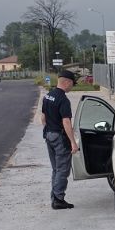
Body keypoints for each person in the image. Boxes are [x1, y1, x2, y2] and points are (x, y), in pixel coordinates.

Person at [40, 70, 78, 209]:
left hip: (49, 135)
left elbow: (43, 117)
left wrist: (49, 131)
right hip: (60, 137)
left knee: (56, 169)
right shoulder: (63, 99)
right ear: (67, 82)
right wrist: (73, 142)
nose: (72, 87)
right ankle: (58, 199)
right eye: (72, 84)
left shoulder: (48, 96)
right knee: (62, 170)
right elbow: (66, 122)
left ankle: (55, 197)